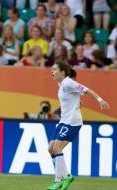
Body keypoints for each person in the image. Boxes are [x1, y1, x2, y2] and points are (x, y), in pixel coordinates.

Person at [47, 61, 110, 190]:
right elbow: (73, 95)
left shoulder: (69, 82)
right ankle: (67, 176)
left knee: (57, 148)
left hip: (72, 121)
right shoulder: (61, 83)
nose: (51, 71)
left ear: (62, 72)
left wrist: (100, 100)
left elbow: (87, 90)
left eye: (54, 69)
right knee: (50, 149)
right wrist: (78, 101)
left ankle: (58, 180)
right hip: (64, 121)